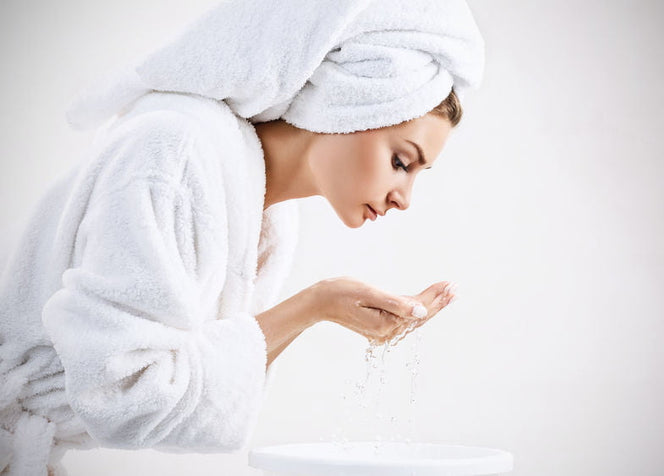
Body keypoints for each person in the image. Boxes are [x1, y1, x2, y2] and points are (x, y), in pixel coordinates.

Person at [0, 1, 483, 474]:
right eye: (401, 161)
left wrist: (322, 310)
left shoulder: (266, 214)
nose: (404, 199)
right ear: (348, 105)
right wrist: (317, 304)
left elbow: (181, 380)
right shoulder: (174, 151)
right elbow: (125, 396)